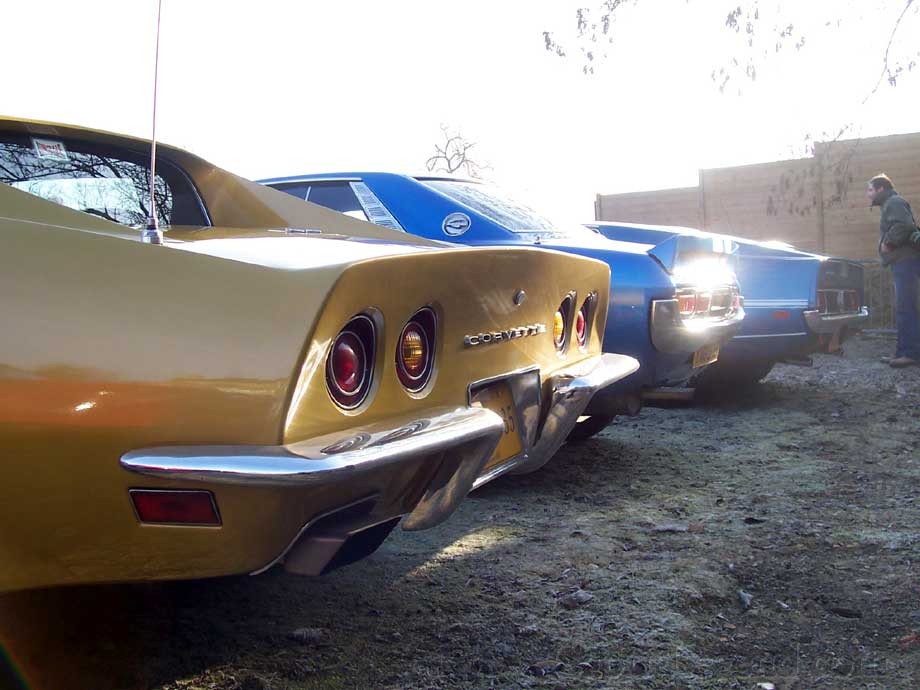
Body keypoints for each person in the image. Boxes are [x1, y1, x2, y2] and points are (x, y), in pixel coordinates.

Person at [868, 174, 920, 367]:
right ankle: (902, 352)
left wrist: (888, 242)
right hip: (901, 261)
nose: (868, 194)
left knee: (906, 307)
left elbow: (905, 225)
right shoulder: (890, 203)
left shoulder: (894, 202)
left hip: (905, 261)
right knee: (904, 308)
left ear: (880, 189)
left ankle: (911, 353)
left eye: (870, 190)